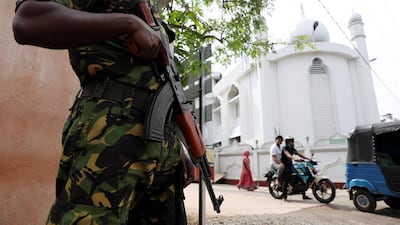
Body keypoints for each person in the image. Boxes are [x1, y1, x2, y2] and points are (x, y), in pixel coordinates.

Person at [12, 1, 194, 225]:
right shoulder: (132, 18)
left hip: (159, 144)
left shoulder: (148, 10)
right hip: (108, 135)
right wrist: (127, 23)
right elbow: (27, 21)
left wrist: (172, 139)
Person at [281, 136, 312, 201]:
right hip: (284, 166)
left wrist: (307, 158)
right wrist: (294, 158)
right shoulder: (284, 148)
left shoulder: (292, 148)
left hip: (290, 165)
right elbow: (287, 154)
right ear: (287, 142)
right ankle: (284, 196)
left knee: (300, 178)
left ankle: (304, 195)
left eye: (292, 141)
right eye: (290, 141)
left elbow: (298, 154)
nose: (291, 142)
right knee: (286, 180)